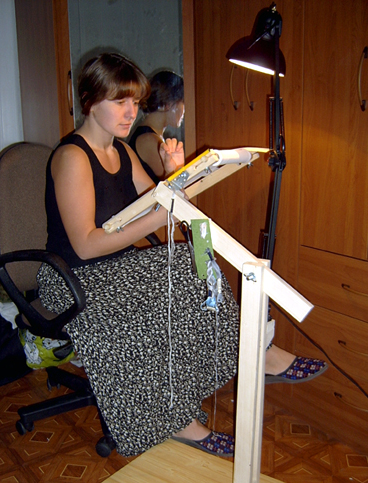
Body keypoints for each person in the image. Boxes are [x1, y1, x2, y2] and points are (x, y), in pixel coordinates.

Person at [37, 52, 327, 458]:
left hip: (115, 265)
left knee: (198, 264)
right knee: (150, 307)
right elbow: (86, 243)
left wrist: (173, 177)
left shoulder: (123, 153)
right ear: (90, 101)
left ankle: (251, 353)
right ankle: (183, 416)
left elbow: (163, 212)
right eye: (120, 101)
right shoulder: (71, 157)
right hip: (72, 275)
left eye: (135, 102)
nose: (131, 112)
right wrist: (161, 210)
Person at [128, 70, 184, 184]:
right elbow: (173, 185)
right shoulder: (149, 140)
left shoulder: (151, 136)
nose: (184, 110)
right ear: (168, 104)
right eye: (183, 102)